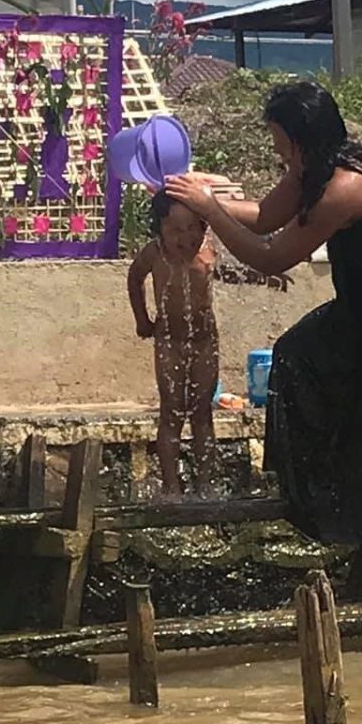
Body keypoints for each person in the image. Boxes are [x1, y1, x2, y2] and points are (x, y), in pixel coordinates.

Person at [163, 80, 362, 611]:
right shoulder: (312, 170)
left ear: (301, 138)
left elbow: (272, 256)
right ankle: (336, 501)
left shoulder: (347, 185)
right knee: (296, 358)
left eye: (280, 140)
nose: (276, 151)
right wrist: (216, 196)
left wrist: (211, 211)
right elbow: (267, 215)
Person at [127, 190, 220, 499]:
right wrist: (142, 319)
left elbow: (238, 269)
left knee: (202, 412)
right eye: (176, 231)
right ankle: (171, 488)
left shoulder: (209, 250)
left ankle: (206, 485)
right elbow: (134, 277)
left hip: (205, 341)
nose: (186, 237)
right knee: (171, 412)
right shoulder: (154, 254)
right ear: (160, 229)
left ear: (205, 226)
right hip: (169, 341)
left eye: (194, 227)